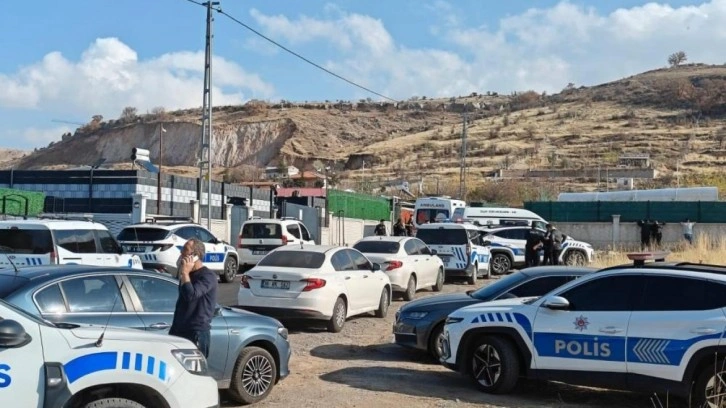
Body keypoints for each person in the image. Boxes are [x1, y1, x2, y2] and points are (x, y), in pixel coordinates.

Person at [169, 238, 218, 358]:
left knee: (194, 368)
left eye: (185, 249)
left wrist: (185, 273)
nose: (181, 252)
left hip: (196, 333)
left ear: (195, 255)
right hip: (179, 330)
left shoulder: (208, 276)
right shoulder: (187, 275)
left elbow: (191, 295)